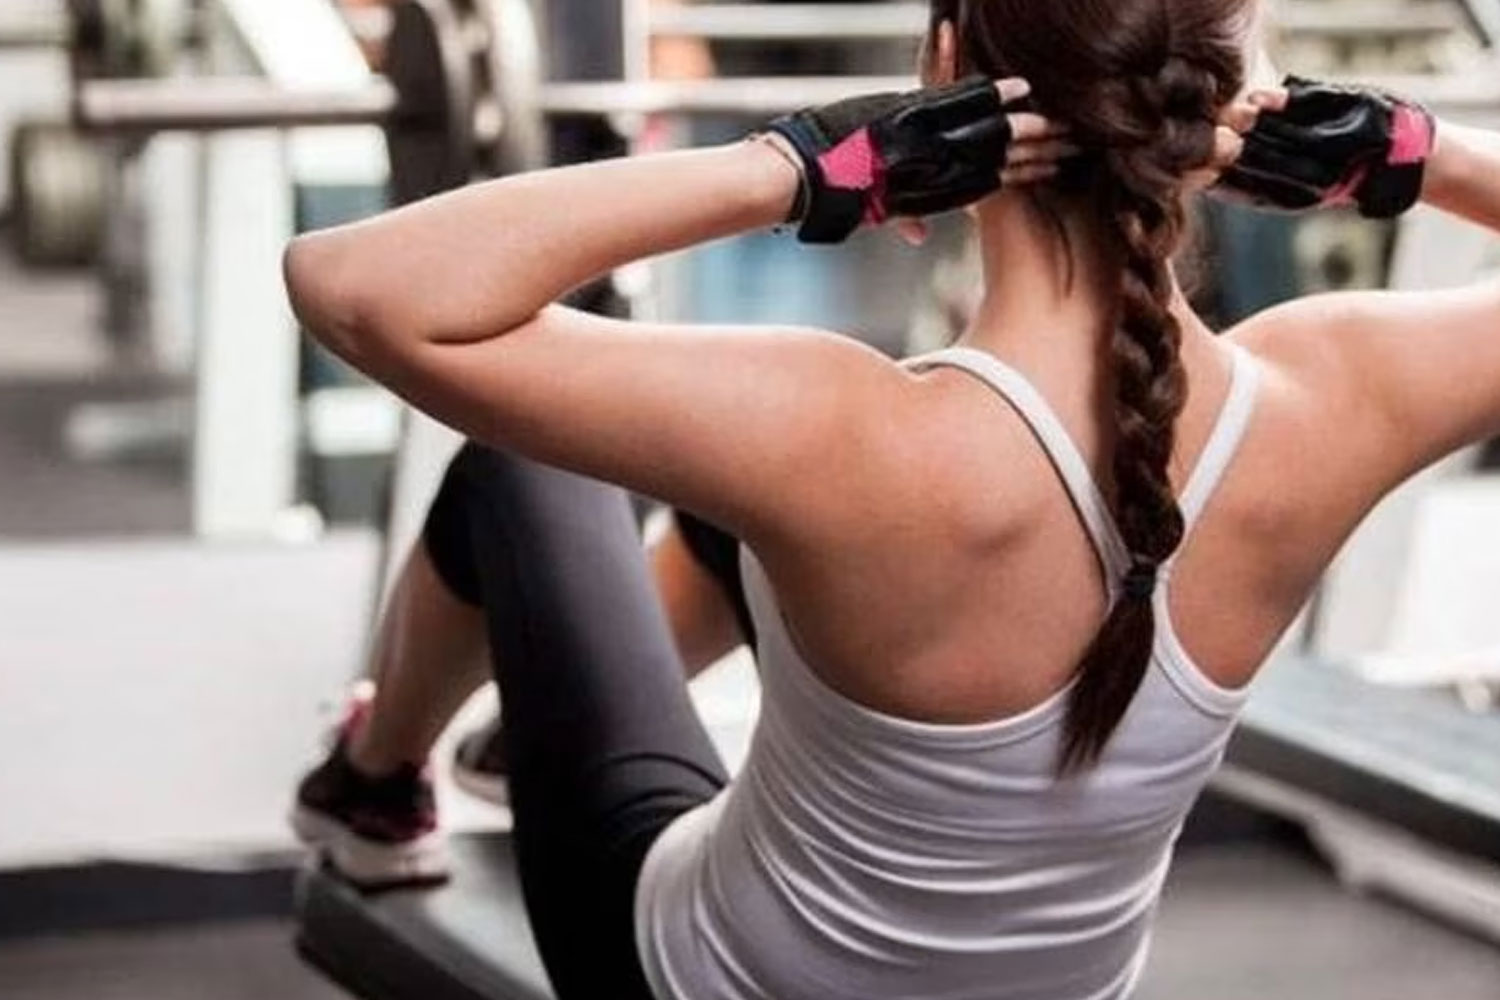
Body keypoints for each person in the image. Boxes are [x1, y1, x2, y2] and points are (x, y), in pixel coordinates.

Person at [281, 0, 1500, 995]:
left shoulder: (841, 431)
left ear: (944, 78)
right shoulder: (1339, 394)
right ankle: (547, 723)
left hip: (691, 976)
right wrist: (1422, 157)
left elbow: (354, 285)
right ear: (1235, 107)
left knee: (528, 466)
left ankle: (377, 788)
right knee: (740, 505)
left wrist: (801, 168)